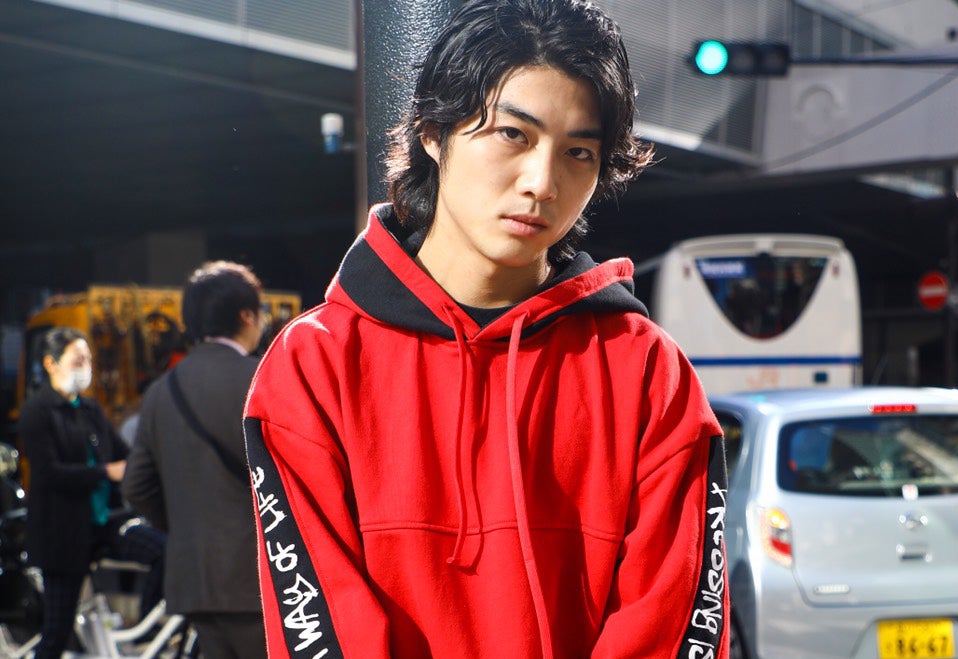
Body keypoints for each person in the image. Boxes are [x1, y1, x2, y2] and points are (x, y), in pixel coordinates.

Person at [245, 0, 729, 656]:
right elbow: (320, 627)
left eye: (578, 152)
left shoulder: (646, 371)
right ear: (432, 132)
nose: (542, 182)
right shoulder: (315, 364)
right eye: (513, 134)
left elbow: (673, 620)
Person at [123, 261, 268, 659]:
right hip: (258, 576)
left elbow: (136, 485)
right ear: (247, 316)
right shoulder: (263, 378)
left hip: (193, 578)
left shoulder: (161, 390)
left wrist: (187, 525)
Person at [19, 327, 164, 659]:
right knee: (57, 633)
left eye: (88, 358)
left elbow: (125, 454)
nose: (86, 365)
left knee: (164, 550)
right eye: (77, 358)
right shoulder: (37, 410)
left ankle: (147, 630)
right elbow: (49, 473)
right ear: (51, 363)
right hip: (62, 536)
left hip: (104, 523)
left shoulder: (90, 409)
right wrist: (104, 472)